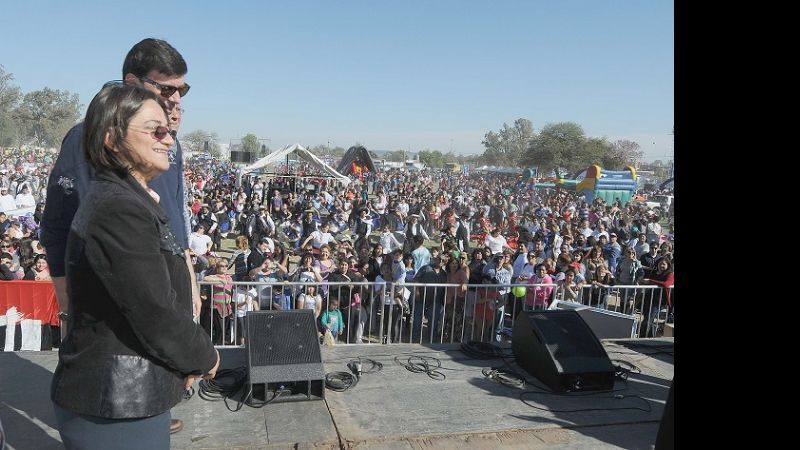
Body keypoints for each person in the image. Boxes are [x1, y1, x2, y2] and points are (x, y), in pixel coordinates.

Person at [49, 85, 219, 449]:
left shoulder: (129, 199)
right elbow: (153, 309)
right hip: (114, 403)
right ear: (112, 139)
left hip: (129, 398)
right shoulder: (118, 208)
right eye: (154, 129)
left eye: (169, 131)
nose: (168, 139)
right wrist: (203, 355)